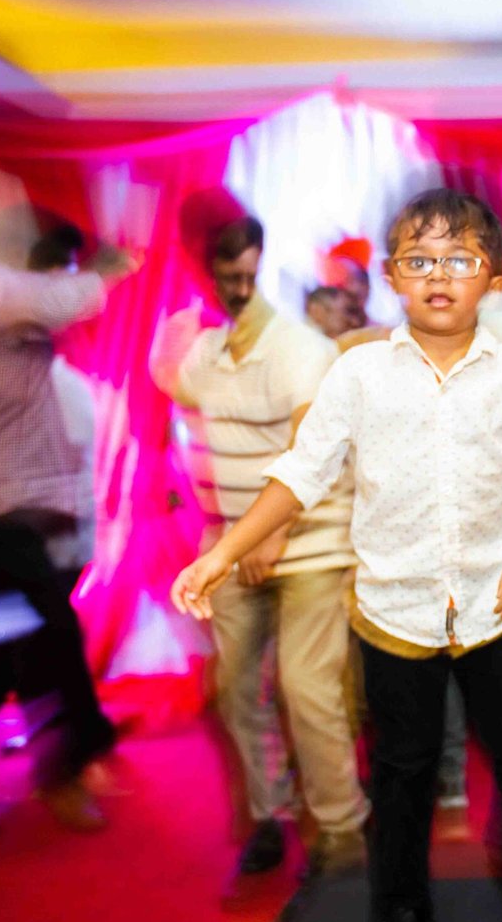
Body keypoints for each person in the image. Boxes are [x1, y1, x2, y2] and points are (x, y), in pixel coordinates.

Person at [170, 189, 502, 922]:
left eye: (459, 260)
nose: (439, 275)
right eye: (420, 260)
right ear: (392, 276)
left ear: (493, 280)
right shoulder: (356, 372)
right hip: (395, 612)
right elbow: (301, 471)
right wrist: (226, 551)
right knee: (402, 777)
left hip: (497, 604)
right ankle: (401, 915)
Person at [150, 215, 368, 886]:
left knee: (306, 686)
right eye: (227, 278)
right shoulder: (206, 352)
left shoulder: (300, 347)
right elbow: (171, 378)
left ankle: (342, 829)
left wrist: (270, 532)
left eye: (249, 275)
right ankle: (270, 814)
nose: (241, 290)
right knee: (235, 688)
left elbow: (312, 444)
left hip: (309, 542)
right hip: (229, 545)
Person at [0, 208, 137, 830]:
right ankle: (76, 752)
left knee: (6, 649)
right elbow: (58, 301)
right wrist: (104, 269)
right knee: (48, 634)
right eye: (58, 269)